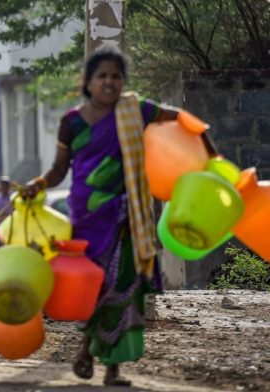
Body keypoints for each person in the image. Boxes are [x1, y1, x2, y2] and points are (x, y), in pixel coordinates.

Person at [23, 46, 216, 386]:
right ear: (88, 82)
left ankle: (113, 368)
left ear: (123, 81)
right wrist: (37, 184)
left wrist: (211, 154)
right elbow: (57, 169)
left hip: (128, 217)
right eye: (102, 76)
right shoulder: (71, 122)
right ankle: (84, 346)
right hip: (87, 216)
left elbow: (182, 119)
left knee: (124, 285)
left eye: (116, 76)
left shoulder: (135, 110)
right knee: (91, 287)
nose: (109, 82)